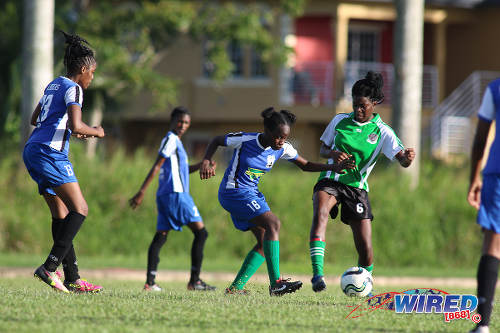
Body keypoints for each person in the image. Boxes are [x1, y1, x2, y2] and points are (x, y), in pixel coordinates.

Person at [199, 107, 355, 296]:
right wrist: (206, 160)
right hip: (233, 192)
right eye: (278, 137)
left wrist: (334, 167)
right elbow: (216, 140)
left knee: (265, 241)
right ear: (267, 130)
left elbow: (305, 165)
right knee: (274, 224)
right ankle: (276, 284)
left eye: (285, 138)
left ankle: (234, 288)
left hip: (251, 194)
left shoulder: (283, 148)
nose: (281, 142)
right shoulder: (246, 140)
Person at [307, 71, 415, 293]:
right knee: (321, 213)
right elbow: (322, 149)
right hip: (331, 179)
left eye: (363, 106)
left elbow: (402, 160)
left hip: (356, 189)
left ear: (373, 103)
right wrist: (334, 154)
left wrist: (407, 159)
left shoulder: (383, 132)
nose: (358, 110)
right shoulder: (339, 121)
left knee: (365, 248)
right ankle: (317, 275)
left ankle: (365, 284)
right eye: (355, 105)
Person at [23, 31, 104, 293]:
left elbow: (36, 118)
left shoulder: (54, 84)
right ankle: (49, 267)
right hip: (50, 153)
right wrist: (95, 131)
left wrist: (71, 128)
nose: (92, 78)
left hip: (33, 149)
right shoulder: (75, 89)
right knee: (80, 209)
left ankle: (73, 277)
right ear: (83, 69)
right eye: (92, 72)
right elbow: (77, 123)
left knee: (61, 214)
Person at [129, 106, 216, 291]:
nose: (182, 125)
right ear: (172, 120)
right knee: (201, 233)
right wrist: (142, 191)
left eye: (186, 123)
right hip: (176, 195)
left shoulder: (176, 141)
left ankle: (150, 282)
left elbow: (181, 169)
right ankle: (195, 281)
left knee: (161, 236)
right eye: (179, 121)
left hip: (166, 195)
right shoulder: (170, 139)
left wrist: (201, 165)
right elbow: (157, 166)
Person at [467, 77, 500, 333]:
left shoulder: (495, 88)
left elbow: (480, 139)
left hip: (497, 174)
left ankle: (483, 325)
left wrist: (473, 177)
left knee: (493, 244)